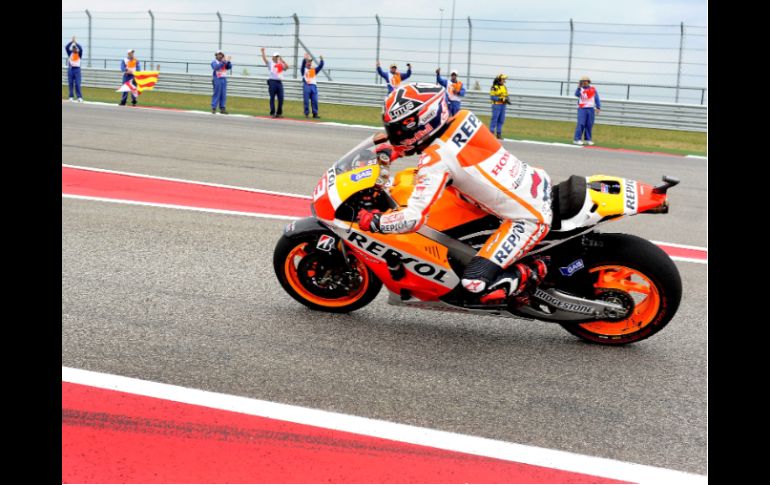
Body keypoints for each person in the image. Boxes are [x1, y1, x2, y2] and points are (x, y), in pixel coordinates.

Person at [357, 83, 552, 304]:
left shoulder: (436, 160)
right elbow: (440, 145)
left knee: (475, 284)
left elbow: (412, 218)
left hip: (526, 218)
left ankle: (536, 269)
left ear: (420, 122)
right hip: (534, 182)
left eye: (400, 128)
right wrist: (396, 149)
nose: (396, 134)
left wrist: (375, 222)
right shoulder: (463, 118)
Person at [261, 48, 289, 118]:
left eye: (278, 56)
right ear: (273, 57)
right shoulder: (271, 63)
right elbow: (265, 60)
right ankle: (273, 112)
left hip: (279, 82)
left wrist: (283, 60)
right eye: (276, 56)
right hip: (272, 81)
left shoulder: (281, 64)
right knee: (272, 97)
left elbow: (287, 67)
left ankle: (279, 113)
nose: (277, 57)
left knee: (281, 98)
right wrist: (263, 52)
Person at [573, 76, 601, 145]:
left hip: (591, 108)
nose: (584, 82)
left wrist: (598, 107)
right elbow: (576, 94)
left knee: (589, 124)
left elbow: (597, 98)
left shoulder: (593, 89)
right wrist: (579, 87)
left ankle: (588, 139)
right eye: (583, 81)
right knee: (581, 124)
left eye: (586, 81)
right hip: (582, 109)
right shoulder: (580, 89)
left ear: (588, 82)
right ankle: (577, 139)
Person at [300, 53, 324, 118]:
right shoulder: (303, 70)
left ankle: (315, 114)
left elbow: (320, 66)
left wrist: (322, 60)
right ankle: (306, 113)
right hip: (306, 85)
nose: (309, 63)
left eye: (310, 61)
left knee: (315, 100)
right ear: (306, 63)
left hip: (313, 86)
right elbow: (302, 65)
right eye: (308, 62)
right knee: (306, 101)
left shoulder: (314, 70)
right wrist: (305, 59)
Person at [489, 74, 510, 140]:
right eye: (503, 79)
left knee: (501, 120)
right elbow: (492, 97)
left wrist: (507, 99)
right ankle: (491, 133)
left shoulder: (504, 87)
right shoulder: (494, 87)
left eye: (504, 79)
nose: (504, 81)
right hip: (496, 105)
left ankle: (498, 134)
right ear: (499, 79)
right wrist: (500, 99)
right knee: (494, 119)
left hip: (503, 105)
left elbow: (506, 95)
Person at [65, 36, 84, 102]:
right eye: (73, 48)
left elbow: (81, 49)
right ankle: (71, 96)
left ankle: (79, 97)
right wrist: (71, 42)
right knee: (70, 83)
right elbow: (66, 47)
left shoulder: (79, 53)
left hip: (77, 70)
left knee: (77, 84)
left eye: (75, 48)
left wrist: (76, 43)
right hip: (70, 69)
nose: (74, 49)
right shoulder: (70, 53)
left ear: (76, 49)